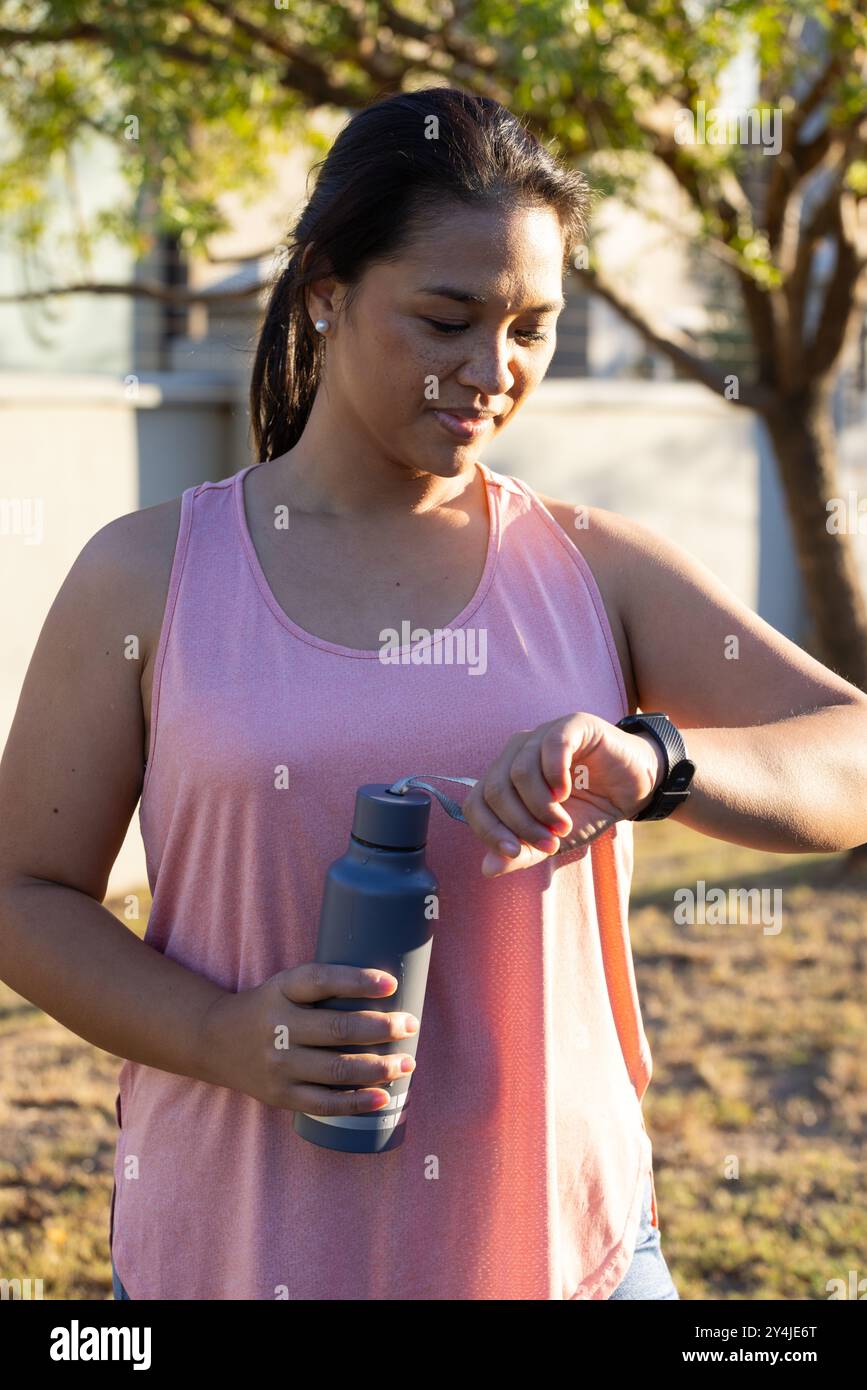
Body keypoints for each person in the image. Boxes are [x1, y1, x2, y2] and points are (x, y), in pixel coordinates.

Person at [1, 87, 866, 1303]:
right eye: (447, 318)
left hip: (566, 1256)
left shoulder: (594, 565)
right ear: (325, 290)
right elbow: (23, 895)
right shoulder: (147, 575)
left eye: (532, 327)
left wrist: (658, 763)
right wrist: (221, 1039)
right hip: (244, 1251)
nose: (492, 371)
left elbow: (852, 753)